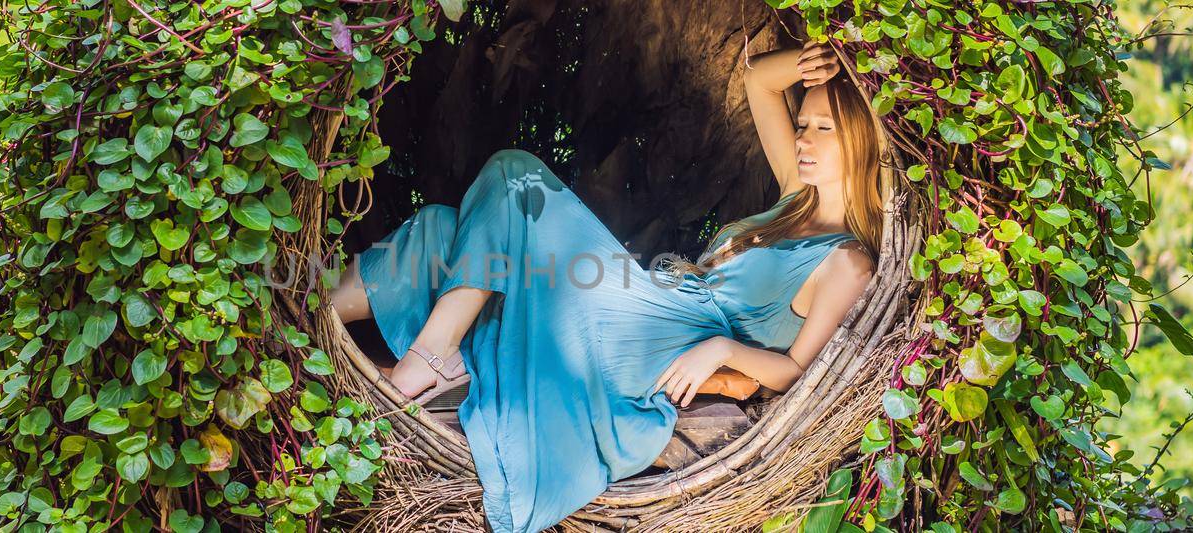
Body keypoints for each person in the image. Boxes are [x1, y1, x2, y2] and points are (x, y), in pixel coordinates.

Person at [327, 38, 883, 533]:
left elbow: (795, 370)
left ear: (860, 139)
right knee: (444, 230)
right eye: (803, 124)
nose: (804, 139)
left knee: (513, 175)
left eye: (824, 129)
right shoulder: (794, 195)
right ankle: (314, 322)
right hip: (649, 300)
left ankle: (433, 352)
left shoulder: (847, 262)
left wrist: (722, 350)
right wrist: (809, 62)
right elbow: (760, 78)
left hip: (667, 337)